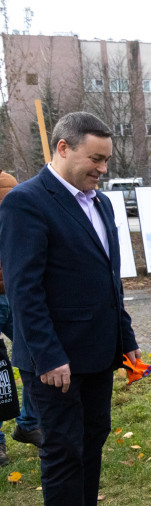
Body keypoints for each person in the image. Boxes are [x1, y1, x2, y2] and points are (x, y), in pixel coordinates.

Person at [0, 113, 140, 506]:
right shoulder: (26, 203)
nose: (102, 168)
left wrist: (127, 343)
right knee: (61, 450)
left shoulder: (99, 204)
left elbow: (108, 282)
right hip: (55, 360)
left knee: (92, 439)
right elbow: (25, 291)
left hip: (99, 351)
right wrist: (48, 355)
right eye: (95, 158)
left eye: (106, 159)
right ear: (63, 148)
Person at [0, 171, 43, 467]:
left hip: (10, 291)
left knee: (36, 354)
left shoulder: (9, 183)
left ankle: (28, 423)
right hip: (11, 289)